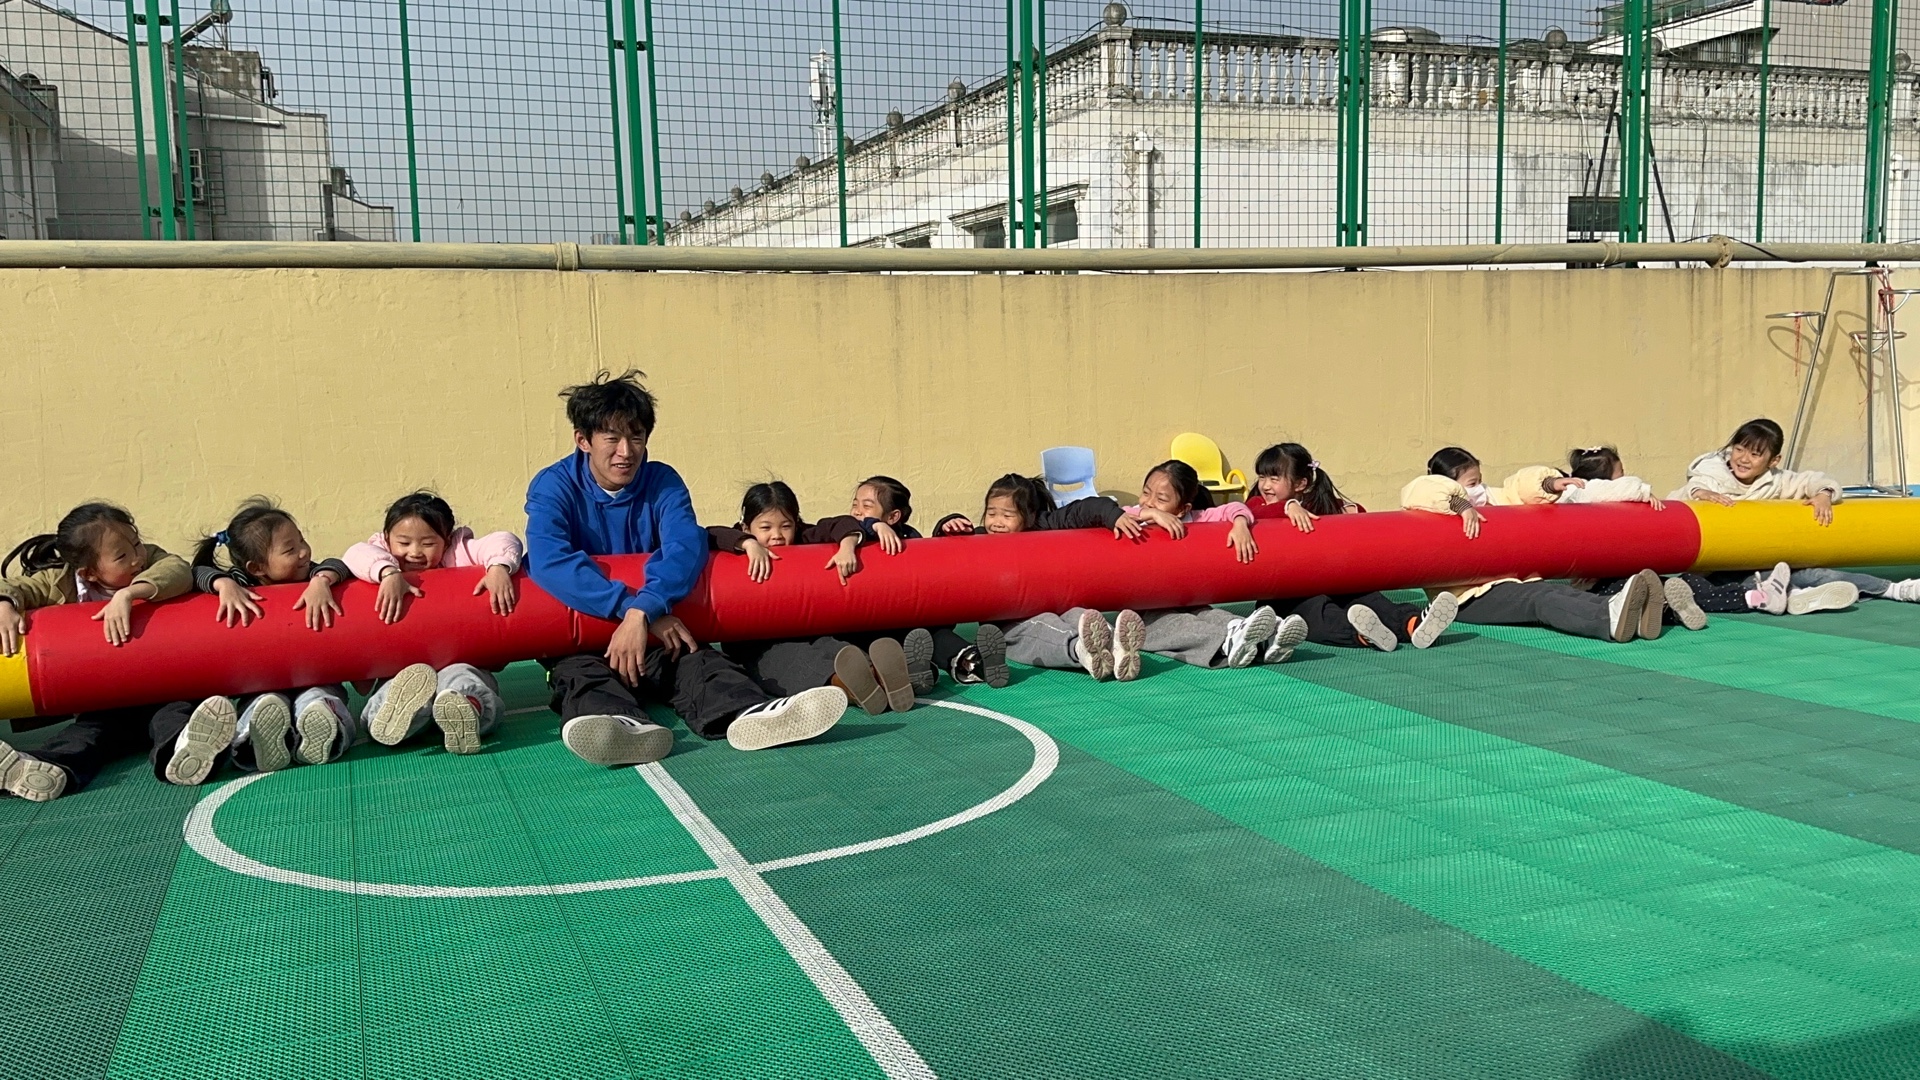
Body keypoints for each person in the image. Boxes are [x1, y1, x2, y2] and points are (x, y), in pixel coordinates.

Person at [525, 370, 846, 765]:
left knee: (699, 659)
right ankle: (618, 727)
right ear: (583, 440)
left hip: (657, 626)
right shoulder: (553, 486)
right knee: (583, 677)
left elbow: (685, 545)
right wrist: (628, 609)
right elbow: (550, 560)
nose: (626, 451)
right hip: (590, 636)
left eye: (637, 437)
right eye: (612, 438)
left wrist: (645, 610)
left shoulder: (662, 480)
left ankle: (751, 713)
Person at [945, 472, 1293, 681]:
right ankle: (1086, 650)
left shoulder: (1044, 527)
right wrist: (949, 523)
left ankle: (1248, 635)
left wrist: (1115, 518)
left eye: (1007, 515)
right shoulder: (981, 537)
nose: (997, 522)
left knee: (1083, 617)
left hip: (1072, 600)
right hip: (1011, 613)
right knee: (1039, 629)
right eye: (991, 513)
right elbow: (950, 545)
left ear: (1031, 515)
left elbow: (1089, 507)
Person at [0, 502, 230, 801]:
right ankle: (44, 769)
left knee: (173, 717)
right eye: (122, 556)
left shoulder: (151, 561)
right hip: (104, 700)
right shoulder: (58, 582)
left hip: (163, 688)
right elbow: (17, 587)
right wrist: (4, 604)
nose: (137, 558)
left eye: (136, 544)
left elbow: (177, 570)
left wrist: (129, 594)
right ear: (89, 573)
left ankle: (186, 752)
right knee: (87, 736)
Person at [1403, 447, 1667, 642]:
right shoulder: (1432, 507)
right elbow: (1422, 491)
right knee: (1540, 600)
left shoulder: (1493, 499)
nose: (1480, 488)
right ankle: (1607, 619)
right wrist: (1460, 503)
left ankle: (1629, 615)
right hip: (1468, 598)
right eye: (1472, 484)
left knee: (1552, 591)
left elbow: (1519, 488)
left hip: (1509, 580)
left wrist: (1550, 483)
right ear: (1450, 484)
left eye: (1480, 480)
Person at [707, 480, 915, 714]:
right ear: (746, 526)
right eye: (765, 528)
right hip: (757, 641)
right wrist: (748, 543)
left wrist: (848, 544)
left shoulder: (804, 536)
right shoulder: (738, 541)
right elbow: (711, 533)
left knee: (839, 651)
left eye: (785, 526)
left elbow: (838, 523)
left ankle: (884, 678)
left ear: (796, 523)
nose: (777, 536)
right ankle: (856, 688)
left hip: (805, 628)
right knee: (796, 664)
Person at [1673, 418, 1919, 614]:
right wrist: (1699, 493)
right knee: (1748, 583)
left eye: (1755, 454)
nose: (1743, 459)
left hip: (1757, 560)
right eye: (1739, 449)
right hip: (1714, 568)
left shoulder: (1775, 481)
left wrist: (1824, 494)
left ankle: (1895, 589)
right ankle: (1794, 595)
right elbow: (1689, 491)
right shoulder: (1712, 476)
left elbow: (1813, 480)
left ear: (1773, 461)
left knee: (1816, 574)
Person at [342, 491, 522, 754]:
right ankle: (390, 717)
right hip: (403, 668)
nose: (414, 552)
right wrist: (388, 572)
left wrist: (499, 566)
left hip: (459, 657)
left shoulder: (459, 553)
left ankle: (468, 707)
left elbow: (504, 540)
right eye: (403, 543)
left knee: (462, 677)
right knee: (398, 687)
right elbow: (354, 554)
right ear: (387, 538)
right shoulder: (380, 555)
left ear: (446, 541)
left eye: (427, 543)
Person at [193, 499, 360, 773]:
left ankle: (324, 730)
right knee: (264, 702)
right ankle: (256, 741)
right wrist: (223, 584)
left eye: (302, 541)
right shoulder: (243, 583)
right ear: (257, 568)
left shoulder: (311, 574)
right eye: (290, 550)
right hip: (262, 681)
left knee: (319, 698)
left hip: (317, 674)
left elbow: (338, 564)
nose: (304, 552)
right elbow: (198, 572)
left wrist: (321, 581)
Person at [1248, 442, 1458, 653]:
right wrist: (1288, 506)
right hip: (1286, 593)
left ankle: (1411, 624)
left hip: (1329, 581)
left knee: (1367, 598)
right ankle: (1362, 634)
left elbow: (1354, 516)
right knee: (1318, 613)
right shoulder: (1258, 505)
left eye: (1274, 479)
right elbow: (1251, 511)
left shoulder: (1316, 505)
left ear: (1301, 483)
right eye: (1262, 477)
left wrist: (1352, 513)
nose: (1265, 485)